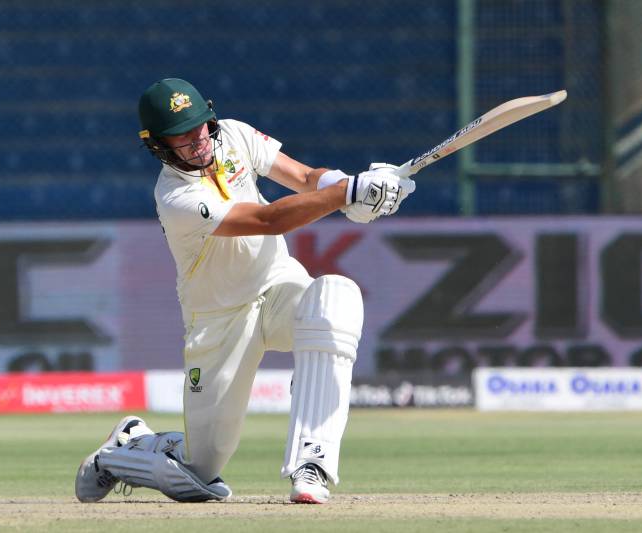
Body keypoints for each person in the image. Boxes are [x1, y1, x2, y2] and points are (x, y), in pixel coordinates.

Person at [74, 78, 415, 504]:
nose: (196, 140)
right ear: (158, 144)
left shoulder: (234, 134)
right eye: (181, 135)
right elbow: (267, 220)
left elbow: (306, 177)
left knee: (336, 297)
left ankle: (312, 464)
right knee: (199, 473)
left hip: (277, 288)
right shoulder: (175, 196)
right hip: (219, 320)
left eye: (199, 126)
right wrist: (346, 193)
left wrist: (353, 185)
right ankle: (124, 450)